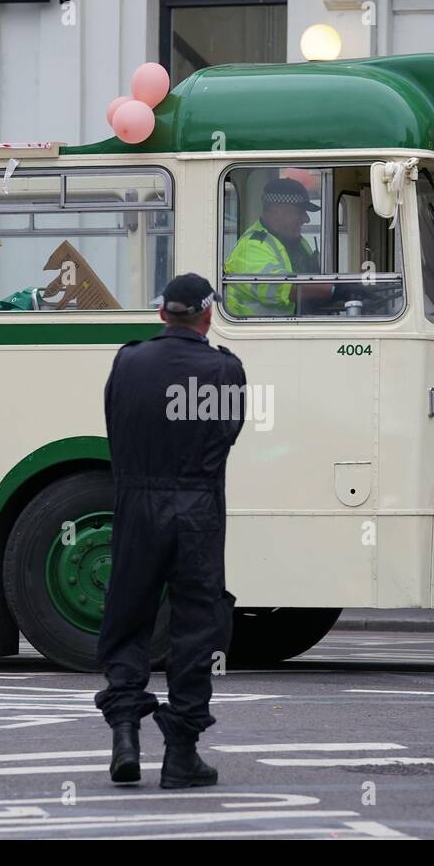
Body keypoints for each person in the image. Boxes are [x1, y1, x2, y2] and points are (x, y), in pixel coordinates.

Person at [96, 272, 245, 788]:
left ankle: (124, 733)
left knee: (128, 617)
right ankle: (181, 753)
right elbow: (226, 437)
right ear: (207, 315)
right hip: (197, 508)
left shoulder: (128, 360)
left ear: (163, 313)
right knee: (195, 627)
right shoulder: (225, 370)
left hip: (136, 503)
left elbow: (115, 425)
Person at [224, 177, 333, 317]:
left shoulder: (298, 242)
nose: (306, 219)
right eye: (300, 212)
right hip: (255, 334)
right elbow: (281, 287)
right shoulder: (251, 247)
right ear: (276, 210)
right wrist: (334, 289)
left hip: (289, 329)